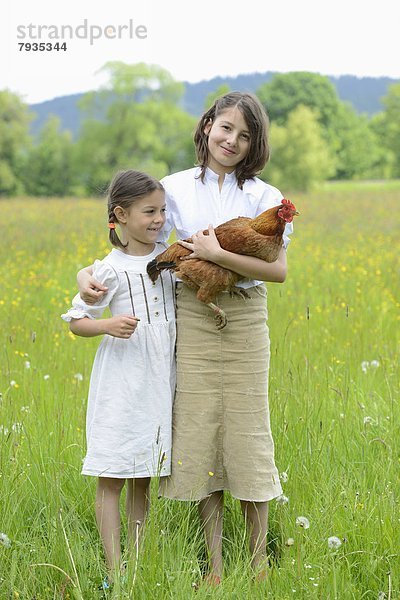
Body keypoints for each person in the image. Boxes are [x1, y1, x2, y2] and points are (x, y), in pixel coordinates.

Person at [77, 92, 293, 584]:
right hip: (192, 314)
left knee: (247, 432)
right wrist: (85, 274)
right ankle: (214, 567)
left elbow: (276, 271)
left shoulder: (265, 197)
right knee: (201, 434)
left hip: (243, 318)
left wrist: (219, 252)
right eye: (225, 128)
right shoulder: (174, 189)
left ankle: (258, 564)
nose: (231, 141)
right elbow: (135, 239)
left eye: (244, 135)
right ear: (207, 127)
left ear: (255, 143)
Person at [62, 169, 176, 586]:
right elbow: (77, 321)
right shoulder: (107, 270)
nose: (158, 219)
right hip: (123, 381)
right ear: (120, 215)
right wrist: (107, 326)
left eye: (162, 210)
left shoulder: (169, 256)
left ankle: (139, 561)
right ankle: (115, 568)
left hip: (159, 379)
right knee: (113, 474)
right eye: (148, 211)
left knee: (143, 473)